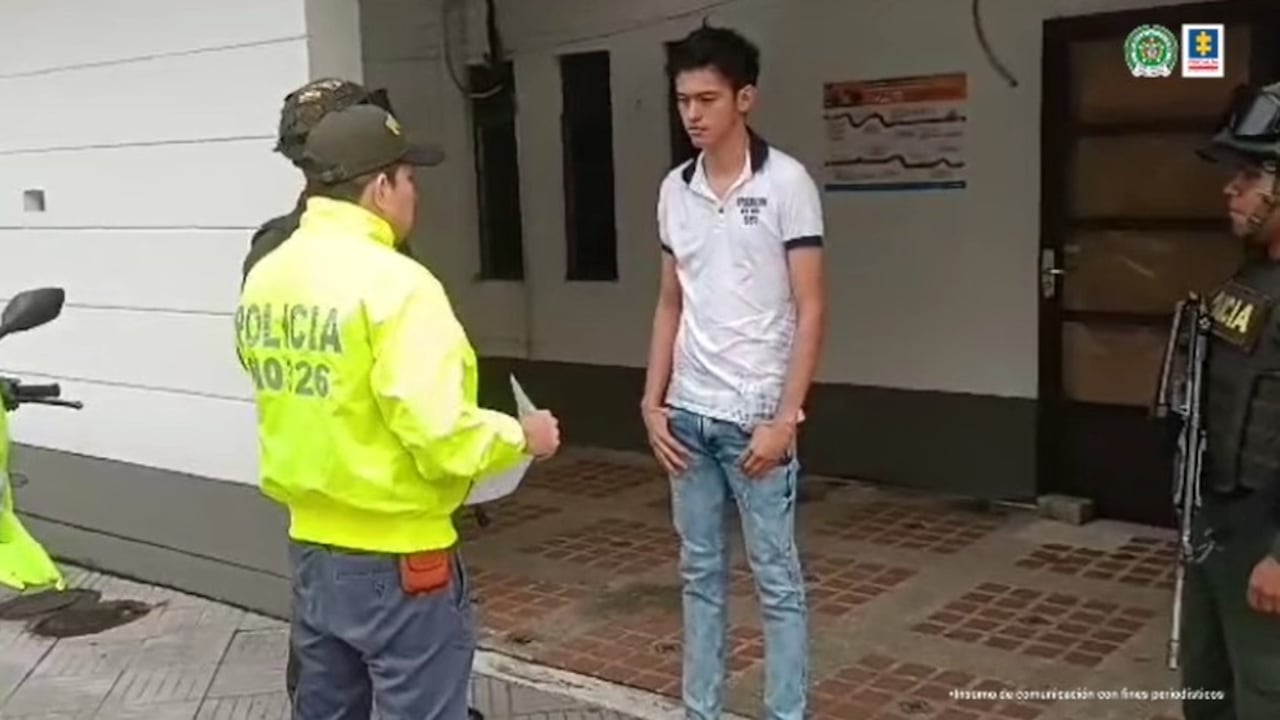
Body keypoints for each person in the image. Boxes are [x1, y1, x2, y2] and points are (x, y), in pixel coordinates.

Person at [236, 103, 561, 719]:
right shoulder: (399, 285)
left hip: (312, 550)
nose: (415, 194)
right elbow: (442, 433)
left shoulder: (269, 276)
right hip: (402, 561)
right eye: (410, 179)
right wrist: (523, 435)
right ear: (380, 187)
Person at [640, 24, 826, 720]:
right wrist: (651, 403)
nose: (692, 113)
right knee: (700, 579)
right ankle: (702, 711)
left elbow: (812, 309)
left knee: (776, 582)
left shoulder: (787, 184)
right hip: (686, 416)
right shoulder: (673, 191)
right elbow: (669, 302)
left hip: (757, 422)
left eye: (707, 99)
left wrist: (785, 419)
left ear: (744, 98)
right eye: (683, 99)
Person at [1175, 80, 1280, 720]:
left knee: (1264, 693)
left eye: (1249, 175)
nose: (1229, 189)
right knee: (1209, 687)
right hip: (1218, 521)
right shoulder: (1251, 278)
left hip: (1267, 537)